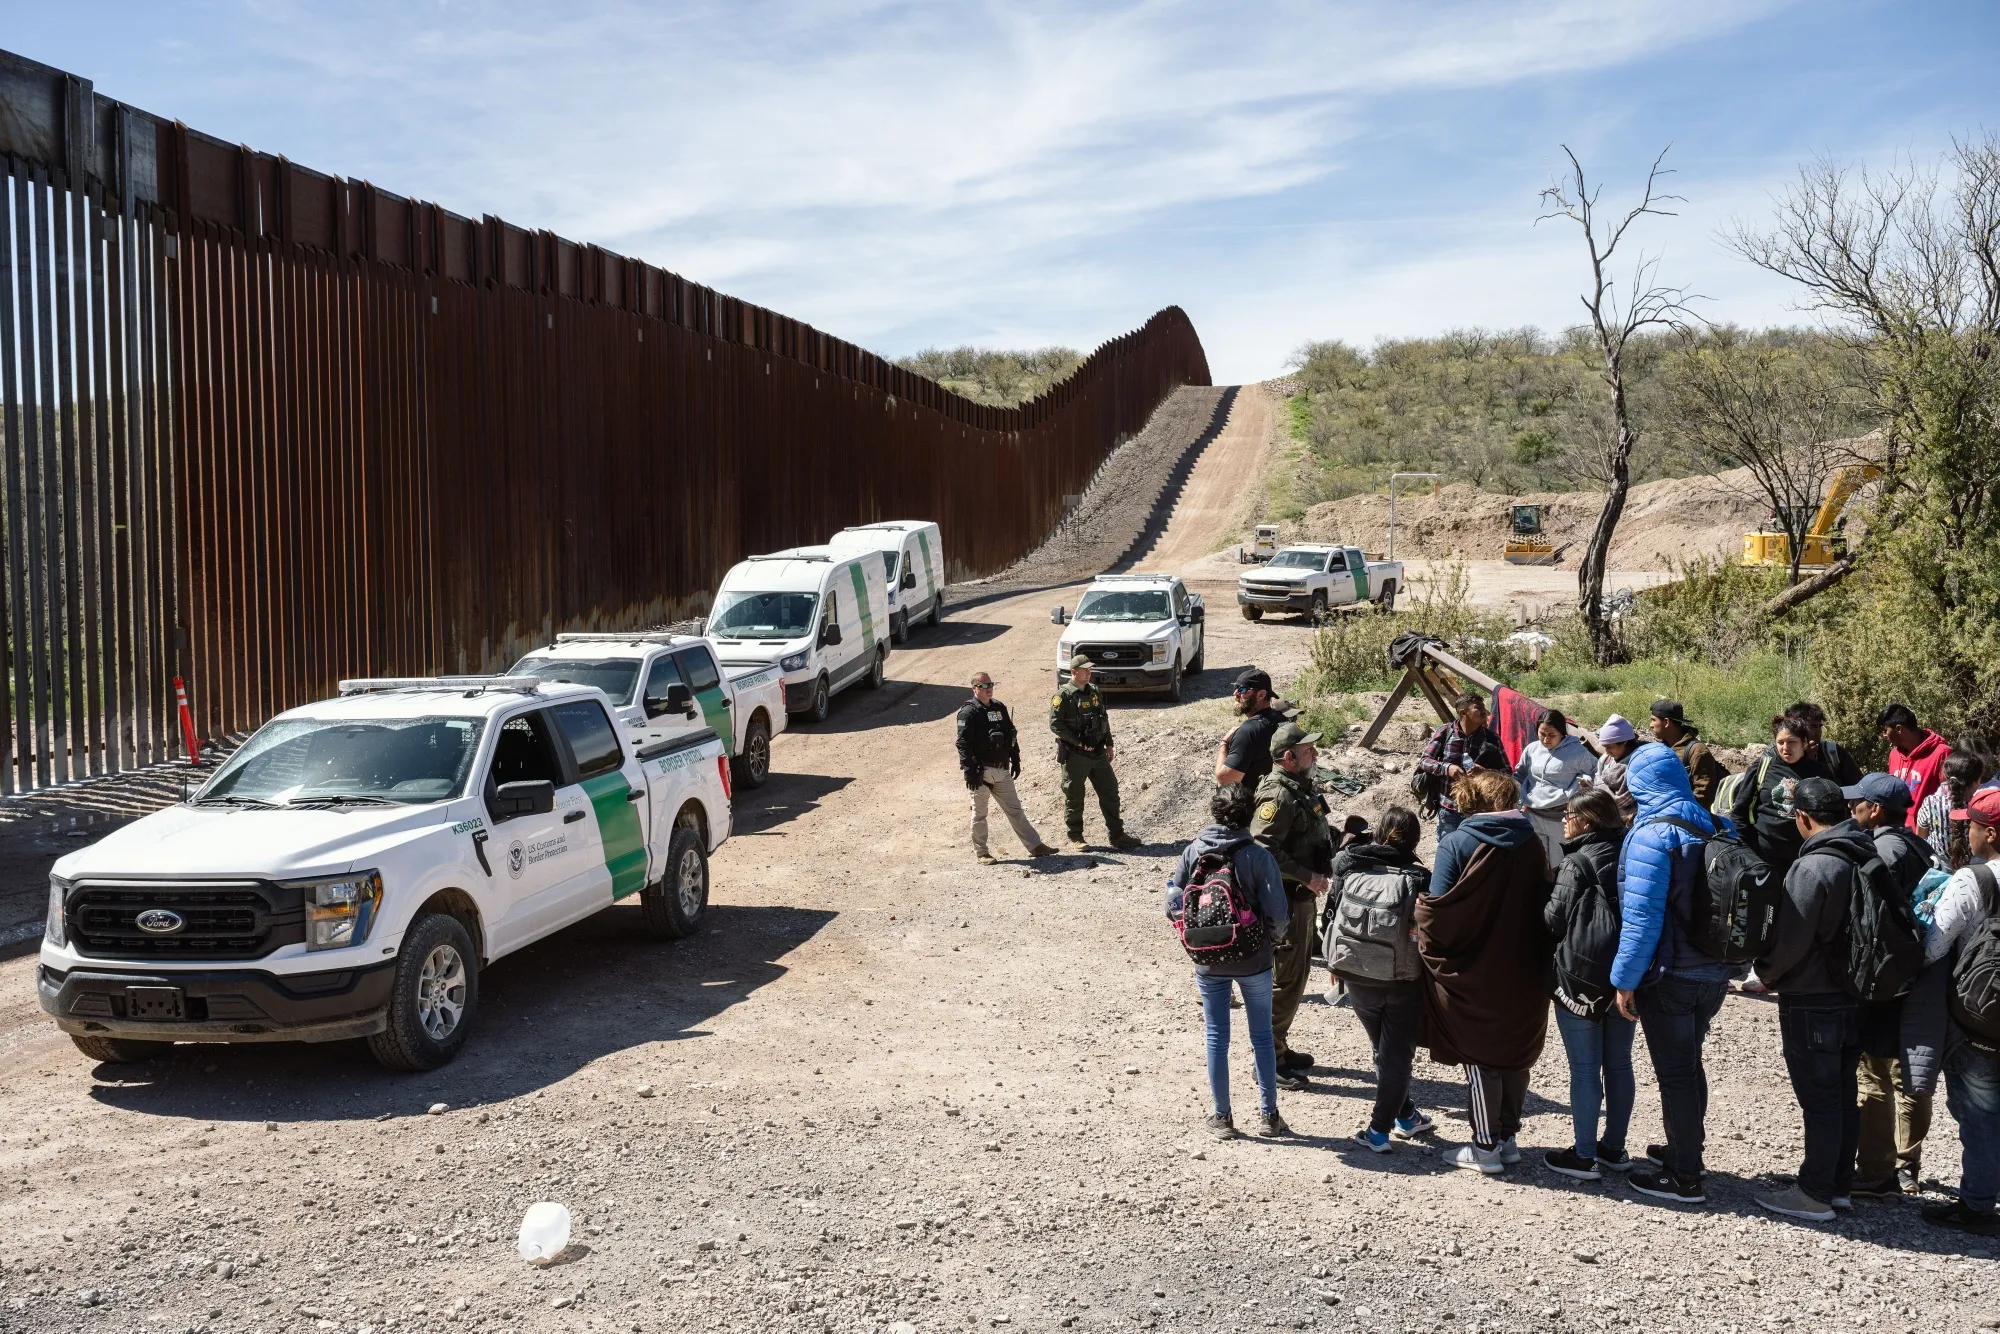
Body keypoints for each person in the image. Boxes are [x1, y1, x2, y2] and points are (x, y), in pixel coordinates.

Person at [1613, 740, 1745, 1205]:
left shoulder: (1652, 835)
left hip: (1671, 976)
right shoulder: (1717, 824)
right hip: (1715, 973)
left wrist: (1624, 980)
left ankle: (1684, 1176)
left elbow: (1642, 920)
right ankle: (1686, 1151)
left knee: (1676, 1074)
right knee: (1689, 1064)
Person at [1752, 777, 1876, 1222]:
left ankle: (1815, 1194)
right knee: (1842, 1094)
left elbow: (1790, 939)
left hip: (1812, 997)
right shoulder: (1867, 854)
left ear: (1803, 818)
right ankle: (1838, 1185)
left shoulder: (1813, 867)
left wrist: (1766, 974)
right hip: (1856, 993)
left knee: (1820, 1099)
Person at [1418, 769, 1551, 1174]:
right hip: (1525, 966)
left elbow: (1438, 907)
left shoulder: (1457, 842)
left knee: (1479, 1055)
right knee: (1515, 1053)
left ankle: (1484, 1146)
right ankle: (1507, 1139)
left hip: (1474, 967)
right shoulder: (1531, 842)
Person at [1166, 783, 1292, 1139]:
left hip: (1207, 959)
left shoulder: (1192, 852)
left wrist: (1194, 936)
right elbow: (1278, 914)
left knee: (1216, 1036)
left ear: (1214, 812)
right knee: (1262, 1037)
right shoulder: (1259, 856)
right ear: (1249, 814)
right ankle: (1269, 1116)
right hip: (1254, 959)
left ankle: (1222, 1117)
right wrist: (1271, 942)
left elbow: (1173, 903)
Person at [1908, 787, 2000, 1234]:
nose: (1967, 833)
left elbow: (1932, 948)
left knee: (1980, 1115)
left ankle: (1978, 1207)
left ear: (1991, 833)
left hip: (1979, 1021)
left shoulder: (1973, 880)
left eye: (1972, 826)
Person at [1843, 772, 1935, 1196]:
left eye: (1858, 802)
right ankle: (1905, 1167)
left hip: (1883, 979)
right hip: (1912, 973)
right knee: (1907, 1074)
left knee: (1874, 1072)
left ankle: (1876, 1172)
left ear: (1876, 809)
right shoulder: (1915, 844)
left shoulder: (1882, 852)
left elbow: (1867, 919)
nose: (1852, 807)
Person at [1327, 806, 1437, 1152]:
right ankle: (1378, 1132)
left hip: (1355, 973)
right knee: (1395, 1057)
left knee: (1383, 1050)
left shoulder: (1349, 865)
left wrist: (1333, 963)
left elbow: (1331, 914)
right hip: (1402, 979)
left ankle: (1407, 1116)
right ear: (1415, 839)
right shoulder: (1421, 878)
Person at [1542, 787, 1634, 1181]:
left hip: (1581, 976)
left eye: (1569, 815)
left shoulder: (1576, 861)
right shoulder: (1632, 851)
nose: (1564, 820)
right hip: (1625, 976)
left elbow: (1554, 920)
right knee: (1619, 1064)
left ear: (1587, 821)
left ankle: (1583, 1156)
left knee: (1584, 1069)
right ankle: (1613, 1148)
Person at [1252, 722, 1334, 1087]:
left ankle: (1279, 1048)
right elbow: (1263, 848)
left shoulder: (1298, 787)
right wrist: (1307, 876)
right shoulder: (1278, 795)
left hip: (1300, 898)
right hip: (1286, 900)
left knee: (1296, 976)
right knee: (1286, 980)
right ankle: (1269, 1058)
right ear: (1289, 757)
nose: (1314, 754)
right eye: (1307, 750)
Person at [957, 673, 1057, 865]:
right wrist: (969, 770)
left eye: (991, 684)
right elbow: (963, 744)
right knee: (979, 814)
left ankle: (1035, 846)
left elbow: (1011, 734)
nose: (988, 688)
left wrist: (1015, 758)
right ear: (974, 688)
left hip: (1001, 769)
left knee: (1015, 810)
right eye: (983, 685)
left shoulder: (999, 707)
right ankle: (982, 853)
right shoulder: (968, 712)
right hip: (981, 772)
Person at [1050, 656, 1141, 850]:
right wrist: (1078, 742)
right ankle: (1076, 837)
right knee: (1074, 796)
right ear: (1074, 672)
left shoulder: (1094, 691)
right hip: (1076, 755)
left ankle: (1117, 835)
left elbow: (1103, 719)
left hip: (1098, 753)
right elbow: (1055, 725)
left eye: (1089, 669)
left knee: (1110, 792)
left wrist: (1109, 744)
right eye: (1084, 670)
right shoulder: (1063, 696)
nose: (1088, 672)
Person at [1730, 714, 1833, 881]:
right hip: (1762, 856)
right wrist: (1747, 850)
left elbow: (1829, 815)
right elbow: (1740, 811)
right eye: (1780, 742)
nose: (1786, 748)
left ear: (1804, 743)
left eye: (1792, 742)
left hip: (1804, 858)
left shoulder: (1819, 773)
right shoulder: (1762, 768)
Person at [1515, 707, 1597, 869]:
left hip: (1561, 818)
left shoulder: (1577, 752)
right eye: (1542, 734)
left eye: (1552, 735)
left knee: (1561, 862)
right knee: (1536, 861)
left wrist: (1586, 782)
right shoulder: (1532, 749)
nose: (1546, 739)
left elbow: (1596, 771)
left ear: (1562, 733)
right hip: (1532, 814)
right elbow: (1520, 773)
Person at [1418, 693, 1504, 838]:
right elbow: (1425, 761)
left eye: (1484, 706)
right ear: (1463, 712)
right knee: (1448, 848)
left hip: (1480, 811)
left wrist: (1485, 773)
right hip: (1449, 809)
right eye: (1478, 707)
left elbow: (1507, 771)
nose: (1484, 711)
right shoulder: (1445, 732)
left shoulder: (1491, 738)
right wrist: (1447, 768)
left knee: (1475, 851)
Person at [1882, 703, 1952, 830]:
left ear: (1899, 729)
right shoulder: (1894, 755)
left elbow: (1949, 798)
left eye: (1885, 730)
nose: (1884, 735)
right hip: (1898, 831)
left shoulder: (1941, 753)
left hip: (1928, 833)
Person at [1918, 748, 1990, 870]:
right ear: (1976, 781)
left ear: (1946, 775)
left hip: (1940, 867)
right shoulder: (1983, 804)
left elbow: (1921, 836)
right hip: (1977, 867)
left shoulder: (1930, 802)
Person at [1649, 700, 1728, 810]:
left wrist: (1684, 812)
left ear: (1666, 722)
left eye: (1653, 720)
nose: (1651, 725)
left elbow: (1704, 792)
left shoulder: (1697, 750)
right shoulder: (1660, 747)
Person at [1214, 668, 1287, 786]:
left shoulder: (1248, 732)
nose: (1235, 693)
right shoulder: (1282, 719)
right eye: (1236, 688)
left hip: (1254, 797)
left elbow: (1225, 780)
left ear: (1261, 695)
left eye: (1242, 689)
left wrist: (1224, 744)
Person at [1593, 715, 1639, 823]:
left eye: (1609, 747)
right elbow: (1597, 780)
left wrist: (1600, 791)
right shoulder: (1606, 759)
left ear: (1624, 742)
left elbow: (1626, 798)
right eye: (1604, 746)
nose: (1606, 751)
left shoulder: (1638, 765)